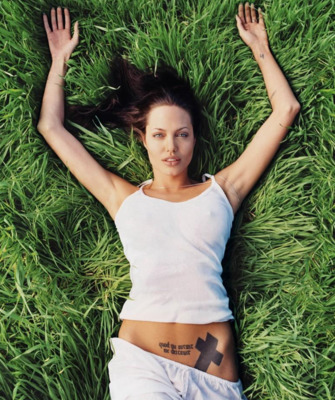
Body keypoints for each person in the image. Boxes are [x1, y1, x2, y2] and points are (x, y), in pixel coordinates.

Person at [38, 3, 300, 399]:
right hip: (142, 366)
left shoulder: (223, 191)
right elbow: (51, 127)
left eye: (182, 134)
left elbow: (286, 109)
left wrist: (260, 47)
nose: (171, 146)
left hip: (212, 372)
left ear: (195, 137)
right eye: (159, 135)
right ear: (143, 139)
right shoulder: (122, 198)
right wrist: (59, 61)